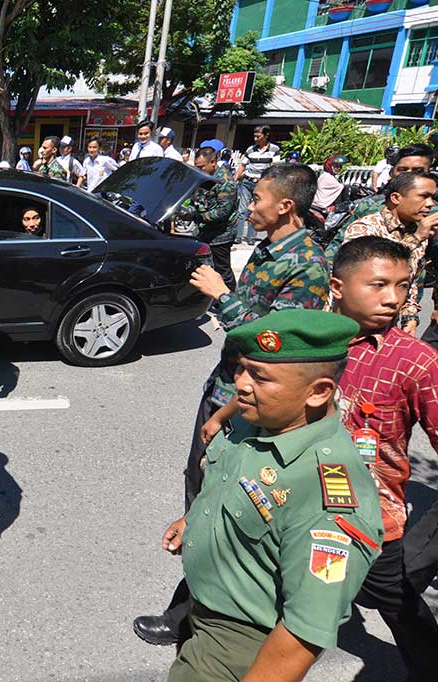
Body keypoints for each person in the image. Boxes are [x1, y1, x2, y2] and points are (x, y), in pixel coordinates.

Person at [133, 164, 330, 646]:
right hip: (227, 395)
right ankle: (199, 613)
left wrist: (222, 296)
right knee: (200, 497)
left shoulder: (306, 264)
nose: (250, 204)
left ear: (286, 206)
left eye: (258, 197)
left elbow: (273, 344)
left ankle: (196, 619)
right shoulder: (268, 248)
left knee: (220, 510)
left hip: (254, 408)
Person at [164, 308, 383, 682]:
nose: (241, 385)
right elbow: (229, 483)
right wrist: (193, 521)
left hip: (241, 645)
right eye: (242, 369)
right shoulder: (260, 421)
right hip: (204, 612)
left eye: (260, 377)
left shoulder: (328, 495)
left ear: (318, 392)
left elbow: (305, 631)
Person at [327, 236, 438, 681]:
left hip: (370, 516)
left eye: (404, 285)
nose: (394, 298)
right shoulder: (307, 339)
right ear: (338, 286)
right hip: (294, 502)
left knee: (396, 602)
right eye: (378, 285)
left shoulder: (416, 362)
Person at [329, 171, 438, 334]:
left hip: (385, 328)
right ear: (396, 198)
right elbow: (365, 272)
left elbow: (409, 281)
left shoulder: (418, 232)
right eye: (424, 196)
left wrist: (410, 318)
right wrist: (416, 238)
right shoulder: (366, 227)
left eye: (432, 197)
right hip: (350, 327)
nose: (430, 204)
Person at [326, 144, 435, 260]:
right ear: (392, 172)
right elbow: (336, 253)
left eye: (418, 171)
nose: (409, 175)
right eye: (403, 170)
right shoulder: (369, 208)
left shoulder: (433, 212)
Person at [175, 145, 237, 291]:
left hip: (221, 234)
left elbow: (222, 212)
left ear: (213, 162)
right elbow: (195, 201)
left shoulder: (225, 182)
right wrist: (186, 211)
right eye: (197, 166)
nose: (199, 169)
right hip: (203, 231)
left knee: (222, 269)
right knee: (203, 267)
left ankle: (231, 299)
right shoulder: (202, 177)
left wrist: (196, 216)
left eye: (202, 166)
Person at [234, 125, 281, 245]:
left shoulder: (274, 150)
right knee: (242, 210)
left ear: (266, 136)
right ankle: (238, 236)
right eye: (254, 136)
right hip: (247, 182)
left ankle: (251, 237)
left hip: (262, 184)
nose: (255, 138)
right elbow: (242, 166)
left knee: (256, 209)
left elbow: (275, 168)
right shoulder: (250, 150)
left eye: (258, 136)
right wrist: (235, 179)